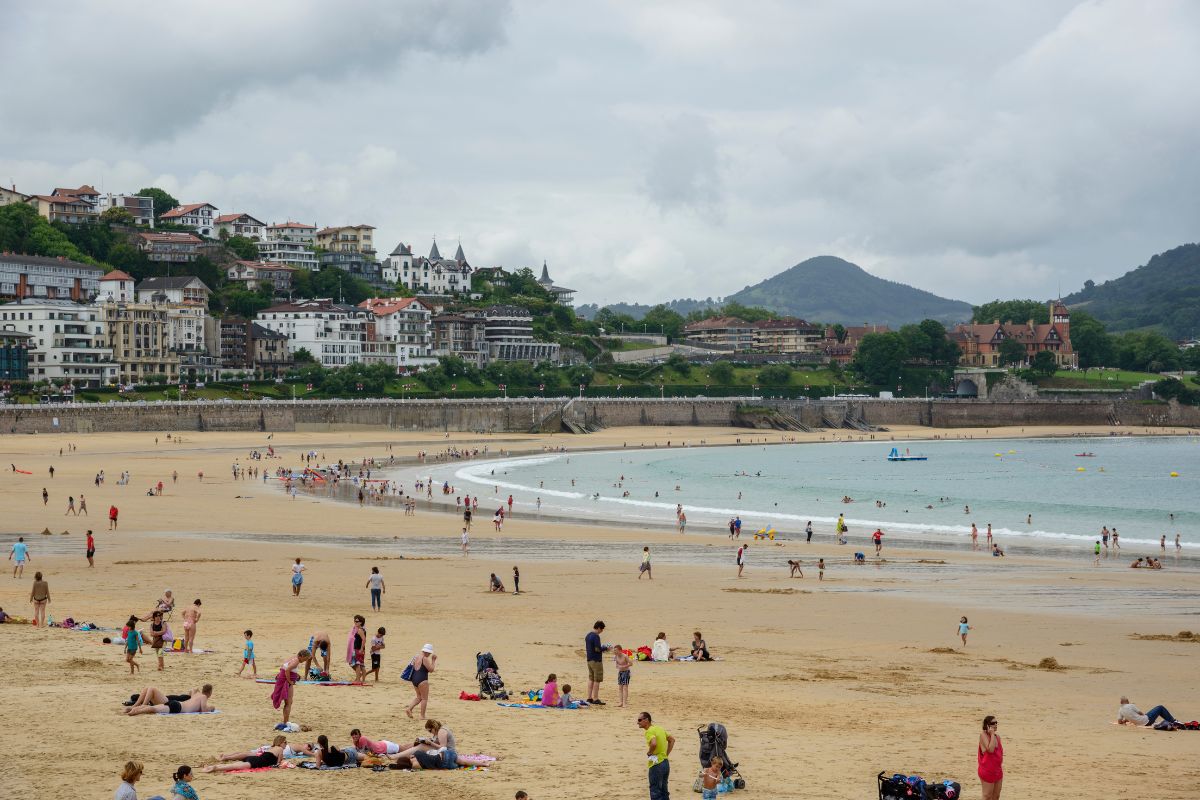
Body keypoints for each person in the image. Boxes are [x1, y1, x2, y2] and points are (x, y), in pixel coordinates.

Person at [638, 712, 674, 800]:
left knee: (655, 791)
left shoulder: (649, 731)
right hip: (665, 763)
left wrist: (649, 752)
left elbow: (654, 743)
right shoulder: (659, 728)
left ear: (646, 720)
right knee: (664, 791)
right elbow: (672, 740)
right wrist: (666, 754)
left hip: (656, 764)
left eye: (639, 720)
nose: (637, 722)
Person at [204, 739, 285, 773]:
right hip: (257, 762)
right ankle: (216, 768)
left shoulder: (271, 748)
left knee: (234, 765)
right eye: (285, 742)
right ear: (281, 743)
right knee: (233, 766)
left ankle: (213, 766)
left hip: (255, 758)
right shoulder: (280, 749)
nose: (286, 744)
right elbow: (278, 763)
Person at [126, 685, 214, 715]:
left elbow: (193, 689)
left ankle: (134, 709)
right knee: (154, 709)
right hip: (178, 707)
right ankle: (136, 711)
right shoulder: (203, 697)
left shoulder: (196, 695)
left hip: (176, 703)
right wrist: (211, 707)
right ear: (209, 693)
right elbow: (204, 710)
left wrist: (197, 690)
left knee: (155, 708)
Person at [274, 650, 309, 724]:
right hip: (286, 682)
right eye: (305, 659)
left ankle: (285, 721)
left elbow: (284, 667)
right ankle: (285, 722)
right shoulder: (296, 661)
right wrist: (290, 681)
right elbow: (287, 670)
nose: (304, 661)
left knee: (288, 702)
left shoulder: (293, 658)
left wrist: (296, 675)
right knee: (288, 703)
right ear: (301, 656)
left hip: (283, 680)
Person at [404, 643, 437, 719]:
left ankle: (409, 708)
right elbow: (431, 669)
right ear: (427, 652)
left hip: (414, 679)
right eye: (429, 653)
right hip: (422, 679)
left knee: (419, 697)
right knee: (424, 698)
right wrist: (433, 660)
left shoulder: (416, 656)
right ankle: (422, 716)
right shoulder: (424, 658)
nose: (429, 654)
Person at [978, 715, 1003, 800]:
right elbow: (991, 750)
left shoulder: (998, 737)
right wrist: (992, 734)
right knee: (987, 796)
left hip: (997, 770)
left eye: (996, 723)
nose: (995, 725)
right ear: (987, 725)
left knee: (996, 796)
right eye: (993, 723)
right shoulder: (983, 735)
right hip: (987, 771)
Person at [586, 620, 609, 704]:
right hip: (596, 660)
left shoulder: (588, 635)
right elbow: (597, 649)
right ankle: (595, 698)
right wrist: (605, 648)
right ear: (598, 628)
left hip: (589, 660)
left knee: (591, 678)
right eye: (601, 629)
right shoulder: (596, 636)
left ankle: (589, 697)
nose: (601, 631)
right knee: (597, 680)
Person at [349, 614, 367, 682]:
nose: (355, 622)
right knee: (361, 665)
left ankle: (358, 679)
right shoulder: (362, 629)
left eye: (357, 621)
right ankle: (362, 680)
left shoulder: (360, 630)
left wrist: (361, 649)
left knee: (357, 664)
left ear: (361, 622)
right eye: (354, 621)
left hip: (358, 649)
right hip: (359, 649)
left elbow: (364, 639)